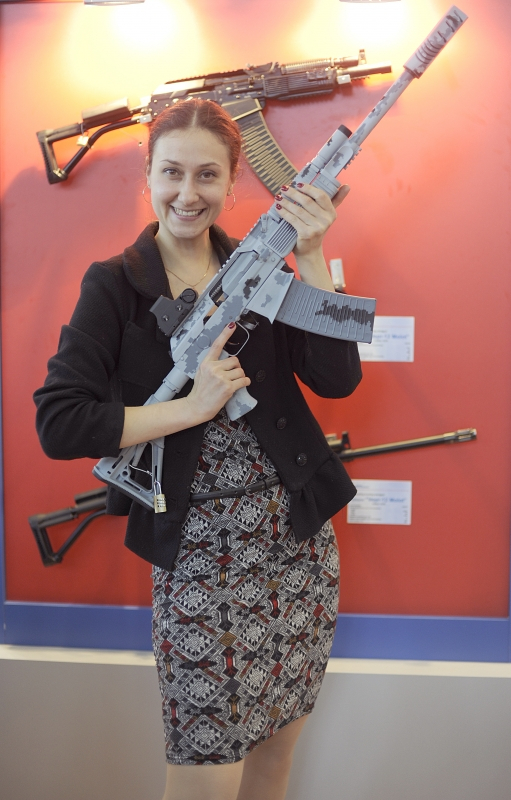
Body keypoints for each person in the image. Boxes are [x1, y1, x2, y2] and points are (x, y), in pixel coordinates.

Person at [34, 98, 362, 800]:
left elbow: (337, 380)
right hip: (196, 558)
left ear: (233, 181)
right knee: (202, 773)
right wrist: (190, 407)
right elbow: (60, 423)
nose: (188, 193)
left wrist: (309, 254)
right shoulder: (115, 284)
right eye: (172, 173)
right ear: (147, 177)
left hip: (294, 545)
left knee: (274, 757)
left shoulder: (263, 271)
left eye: (207, 175)